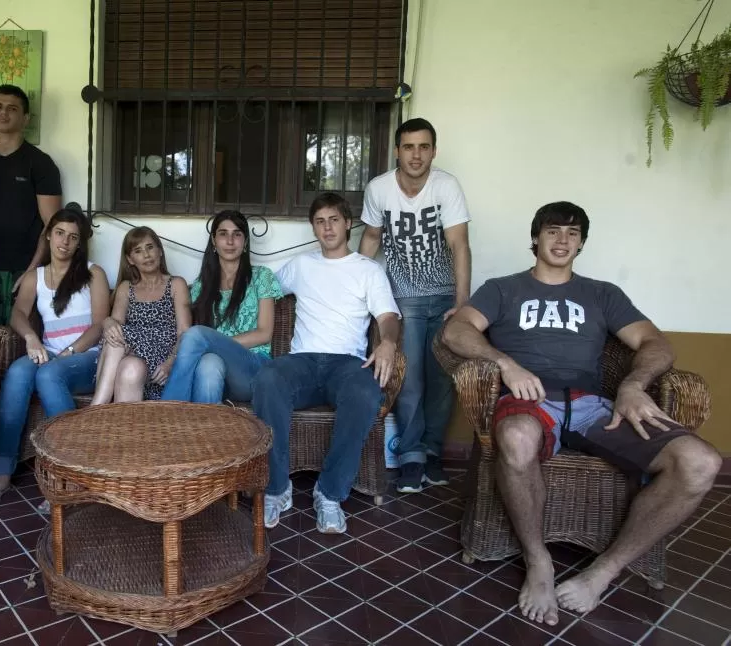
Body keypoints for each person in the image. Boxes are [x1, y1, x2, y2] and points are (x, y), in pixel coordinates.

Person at [441, 201, 721, 625]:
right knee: (516, 437)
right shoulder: (503, 289)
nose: (562, 240)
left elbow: (656, 343)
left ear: (582, 244)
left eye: (573, 233)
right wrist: (506, 364)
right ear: (535, 238)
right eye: (553, 231)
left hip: (593, 406)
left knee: (701, 464)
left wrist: (631, 385)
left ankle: (603, 571)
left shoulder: (601, 294)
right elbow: (456, 329)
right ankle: (539, 561)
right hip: (530, 399)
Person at [253, 192, 400, 534]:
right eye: (320, 221)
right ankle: (277, 488)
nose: (327, 227)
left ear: (348, 223)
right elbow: (261, 288)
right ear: (313, 228)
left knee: (366, 393)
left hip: (347, 364)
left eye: (334, 219)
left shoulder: (368, 271)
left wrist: (389, 341)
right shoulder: (301, 265)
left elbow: (388, 316)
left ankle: (329, 493)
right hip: (302, 362)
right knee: (268, 378)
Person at [359, 117, 472, 494]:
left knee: (441, 382)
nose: (416, 154)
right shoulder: (379, 189)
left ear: (433, 151)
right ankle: (410, 458)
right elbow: (371, 239)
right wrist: (358, 290)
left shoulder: (446, 186)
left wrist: (462, 305)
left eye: (424, 147)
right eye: (409, 146)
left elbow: (459, 245)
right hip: (403, 300)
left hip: (442, 300)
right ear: (397, 150)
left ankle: (433, 453)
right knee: (408, 381)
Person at [0, 206, 110, 509]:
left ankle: (69, 474)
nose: (65, 242)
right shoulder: (35, 277)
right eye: (60, 233)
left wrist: (70, 351)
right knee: (18, 373)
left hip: (87, 356)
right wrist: (31, 337)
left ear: (79, 244)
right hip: (49, 352)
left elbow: (100, 325)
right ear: (49, 235)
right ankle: (1, 472)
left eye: (73, 237)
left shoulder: (93, 274)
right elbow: (18, 313)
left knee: (49, 374)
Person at [0, 84, 62, 329]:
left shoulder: (40, 163)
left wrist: (32, 271)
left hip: (27, 267)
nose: (3, 113)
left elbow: (53, 226)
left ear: (25, 118)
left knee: (24, 341)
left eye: (12, 108)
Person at [161, 211, 282, 403]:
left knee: (198, 335)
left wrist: (216, 343)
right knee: (209, 364)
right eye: (223, 234)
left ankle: (167, 410)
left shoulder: (262, 277)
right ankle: (206, 430)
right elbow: (187, 334)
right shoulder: (202, 285)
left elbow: (264, 333)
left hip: (253, 371)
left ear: (245, 242)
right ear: (214, 241)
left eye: (237, 234)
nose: (230, 240)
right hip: (219, 378)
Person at [91, 227, 191, 403]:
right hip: (131, 359)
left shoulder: (176, 284)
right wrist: (107, 322)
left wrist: (170, 363)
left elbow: (184, 332)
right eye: (138, 251)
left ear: (160, 251)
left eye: (150, 247)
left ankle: (94, 411)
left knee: (117, 340)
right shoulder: (126, 288)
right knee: (125, 356)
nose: (146, 255)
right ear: (130, 259)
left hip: (161, 364)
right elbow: (116, 324)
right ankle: (102, 414)